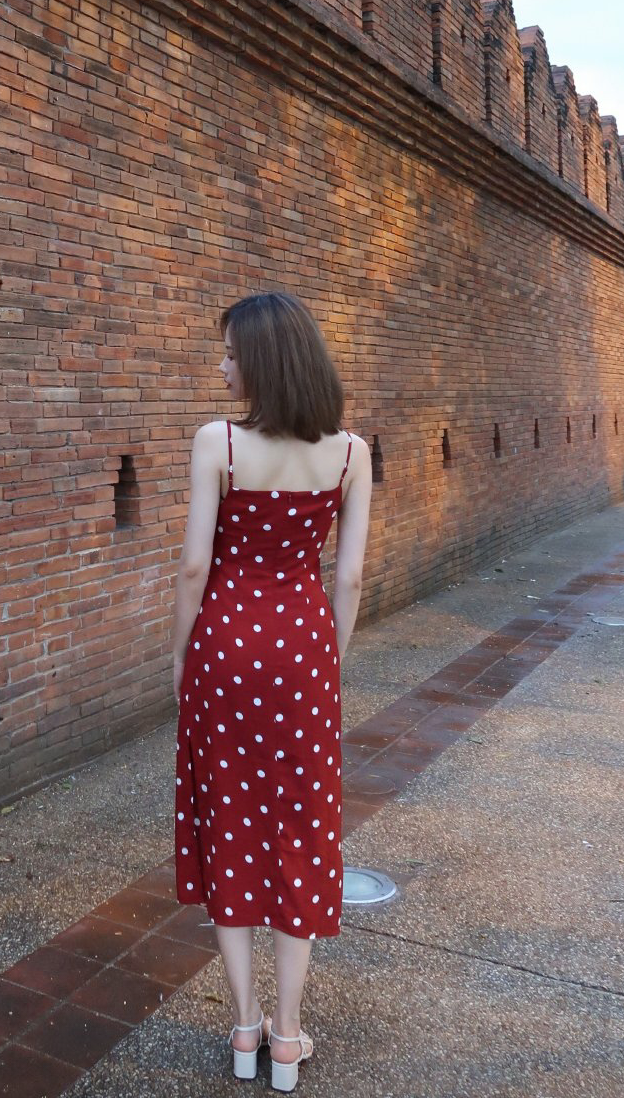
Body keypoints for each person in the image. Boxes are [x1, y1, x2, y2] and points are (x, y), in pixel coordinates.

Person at [171, 291, 371, 1091]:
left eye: (227, 352)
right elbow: (348, 576)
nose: (220, 365)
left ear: (259, 360)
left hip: (225, 645)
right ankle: (289, 1039)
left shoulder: (216, 443)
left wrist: (181, 659)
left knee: (231, 820)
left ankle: (246, 1028)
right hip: (303, 652)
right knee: (302, 826)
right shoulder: (351, 454)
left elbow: (193, 566)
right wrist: (328, 659)